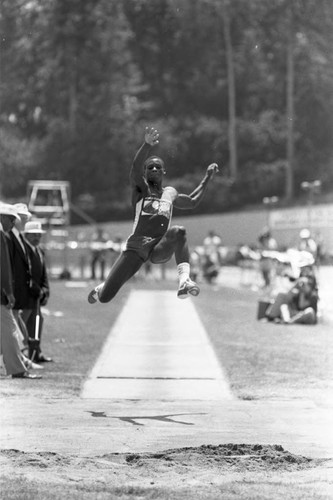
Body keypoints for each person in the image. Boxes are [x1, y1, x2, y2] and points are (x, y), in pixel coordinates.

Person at [88, 126, 219, 304]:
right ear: (146, 172)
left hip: (158, 247)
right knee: (105, 298)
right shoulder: (141, 189)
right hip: (137, 247)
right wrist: (146, 145)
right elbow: (135, 168)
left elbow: (193, 201)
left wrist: (207, 178)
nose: (155, 169)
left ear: (164, 171)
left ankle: (184, 281)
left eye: (158, 167)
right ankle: (102, 288)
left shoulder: (170, 193)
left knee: (179, 232)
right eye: (150, 167)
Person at [0, 203, 41, 379]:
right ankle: (17, 369)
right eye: (11, 219)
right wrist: (9, 292)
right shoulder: (1, 234)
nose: (12, 224)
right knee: (9, 329)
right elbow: (4, 267)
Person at [23, 221, 52, 362]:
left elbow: (43, 274)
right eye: (33, 235)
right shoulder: (25, 251)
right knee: (26, 325)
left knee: (37, 322)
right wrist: (37, 290)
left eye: (38, 235)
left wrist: (45, 290)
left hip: (37, 295)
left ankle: (36, 352)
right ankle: (27, 355)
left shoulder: (39, 251)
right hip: (27, 295)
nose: (36, 238)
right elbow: (25, 274)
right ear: (26, 235)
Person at [263, 255, 318, 325]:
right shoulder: (301, 280)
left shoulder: (311, 283)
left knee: (309, 312)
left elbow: (306, 296)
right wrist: (296, 284)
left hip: (307, 312)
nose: (302, 270)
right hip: (297, 311)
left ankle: (289, 321)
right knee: (283, 304)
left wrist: (300, 284)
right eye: (301, 268)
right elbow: (292, 292)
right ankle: (273, 317)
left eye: (304, 268)